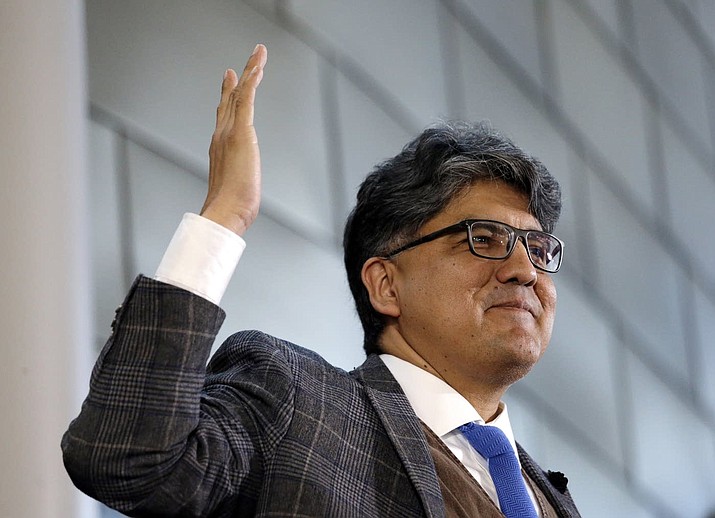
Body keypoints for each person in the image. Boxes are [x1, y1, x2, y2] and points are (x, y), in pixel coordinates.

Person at [62, 44, 580, 517]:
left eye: (537, 248)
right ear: (386, 285)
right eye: (482, 239)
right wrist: (226, 215)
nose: (523, 270)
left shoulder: (552, 499)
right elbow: (126, 455)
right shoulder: (295, 404)